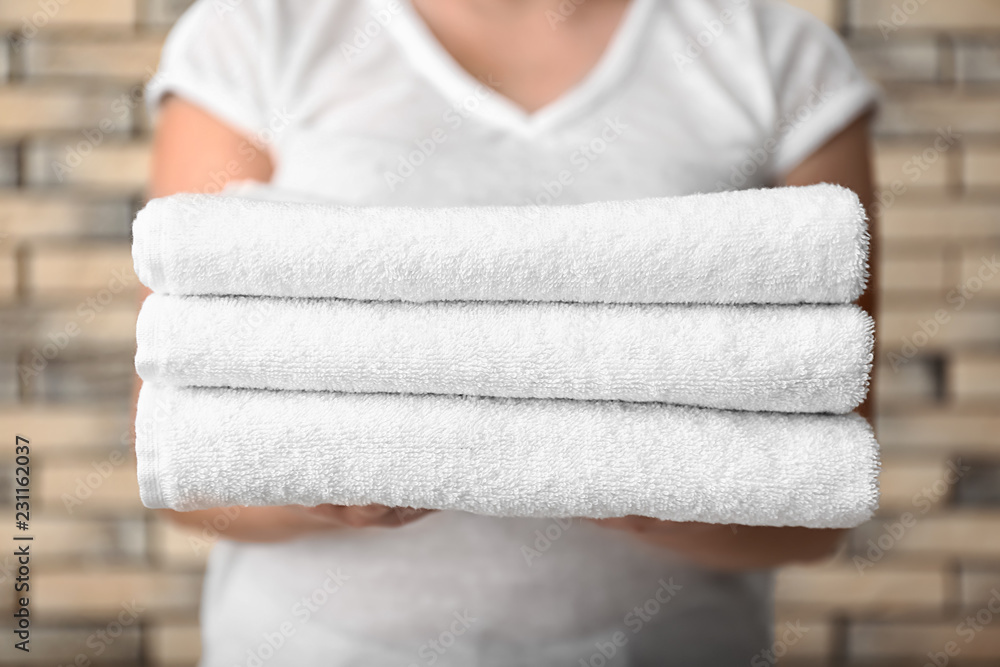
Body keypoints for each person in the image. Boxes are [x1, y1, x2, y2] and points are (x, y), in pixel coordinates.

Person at [137, 0, 879, 663]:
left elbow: (821, 492)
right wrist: (311, 485)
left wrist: (654, 483)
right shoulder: (257, 32)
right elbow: (186, 447)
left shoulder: (773, 52)